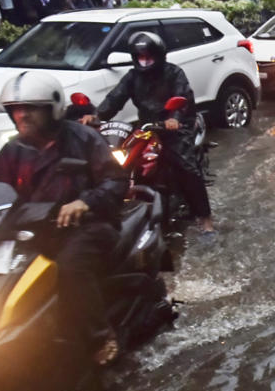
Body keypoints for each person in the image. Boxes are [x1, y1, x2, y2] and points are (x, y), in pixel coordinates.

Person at [0, 71, 128, 365]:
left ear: (52, 108)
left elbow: (116, 181)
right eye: (16, 109)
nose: (22, 115)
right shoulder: (12, 150)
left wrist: (83, 202)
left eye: (30, 108)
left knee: (70, 268)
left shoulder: (83, 138)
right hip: (30, 228)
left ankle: (100, 335)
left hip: (86, 227)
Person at [81, 32, 217, 241]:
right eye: (140, 56)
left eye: (149, 56)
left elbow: (183, 97)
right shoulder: (132, 77)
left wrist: (174, 118)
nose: (144, 60)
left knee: (186, 167)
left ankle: (205, 221)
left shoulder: (174, 73)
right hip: (147, 125)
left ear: (158, 55)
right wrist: (97, 116)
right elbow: (115, 98)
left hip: (176, 125)